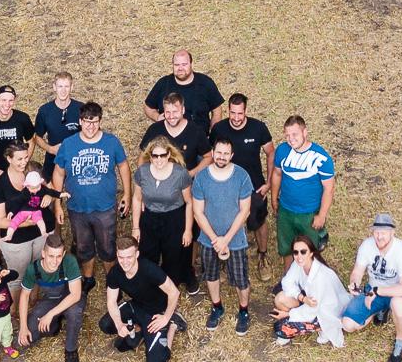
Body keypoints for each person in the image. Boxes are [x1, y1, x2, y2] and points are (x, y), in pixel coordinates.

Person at [54, 101, 129, 294]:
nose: (91, 126)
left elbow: (123, 166)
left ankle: (112, 281)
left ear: (100, 121)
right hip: (77, 207)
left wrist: (127, 194)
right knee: (83, 245)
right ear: (80, 121)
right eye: (87, 122)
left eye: (95, 122)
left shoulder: (111, 142)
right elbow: (59, 173)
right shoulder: (69, 144)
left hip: (105, 207)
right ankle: (88, 278)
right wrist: (57, 202)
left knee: (107, 245)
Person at [192, 138, 254, 334]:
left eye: (226, 153)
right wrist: (214, 239)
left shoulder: (242, 176)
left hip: (235, 240)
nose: (221, 157)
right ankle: (217, 306)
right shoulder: (202, 177)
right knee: (211, 275)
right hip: (208, 239)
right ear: (213, 152)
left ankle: (244, 311)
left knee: (241, 279)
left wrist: (226, 239)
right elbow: (197, 212)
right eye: (219, 152)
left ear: (232, 155)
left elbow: (245, 211)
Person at [98, 234, 184, 362]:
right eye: (121, 257)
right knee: (105, 324)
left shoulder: (149, 269)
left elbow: (174, 293)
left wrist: (165, 317)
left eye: (129, 257)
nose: (125, 262)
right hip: (136, 306)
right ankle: (139, 329)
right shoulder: (115, 272)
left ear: (137, 254)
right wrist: (120, 325)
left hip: (155, 313)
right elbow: (111, 301)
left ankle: (173, 324)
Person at [209, 93, 273, 270]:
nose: (236, 118)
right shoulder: (219, 129)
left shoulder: (258, 128)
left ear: (246, 111)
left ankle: (262, 256)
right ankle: (223, 256)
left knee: (258, 222)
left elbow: (271, 153)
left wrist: (268, 183)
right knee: (224, 221)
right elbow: (209, 155)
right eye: (232, 113)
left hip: (254, 186)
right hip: (225, 186)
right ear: (228, 111)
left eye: (240, 113)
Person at [341, 213, 402, 362]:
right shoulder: (367, 245)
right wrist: (354, 283)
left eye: (384, 232)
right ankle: (379, 309)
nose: (379, 236)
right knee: (347, 324)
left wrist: (377, 291)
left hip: (397, 293)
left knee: (398, 305)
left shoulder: (401, 250)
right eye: (376, 232)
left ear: (392, 233)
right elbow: (357, 271)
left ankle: (400, 341)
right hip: (373, 291)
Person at [131, 139, 194, 294]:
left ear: (169, 155)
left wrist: (188, 230)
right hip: (150, 218)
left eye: (162, 155)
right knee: (147, 254)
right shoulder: (142, 172)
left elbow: (189, 202)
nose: (159, 159)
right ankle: (150, 287)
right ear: (150, 156)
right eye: (155, 156)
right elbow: (137, 199)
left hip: (174, 219)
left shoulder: (180, 173)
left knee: (172, 256)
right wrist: (135, 227)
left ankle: (171, 291)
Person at [17, 232, 86, 362]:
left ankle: (71, 349)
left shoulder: (70, 261)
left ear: (64, 253)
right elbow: (24, 296)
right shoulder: (33, 269)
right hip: (51, 299)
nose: (55, 261)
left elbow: (75, 295)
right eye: (51, 256)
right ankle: (54, 327)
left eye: (59, 256)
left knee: (74, 313)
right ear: (43, 253)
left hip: (70, 299)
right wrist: (23, 327)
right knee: (30, 335)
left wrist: (49, 315)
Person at [0, 86, 36, 246]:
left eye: (10, 100)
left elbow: (32, 140)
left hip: (19, 175)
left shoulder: (22, 119)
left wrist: (24, 162)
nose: (7, 104)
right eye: (3, 100)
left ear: (14, 102)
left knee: (23, 209)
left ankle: (22, 243)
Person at [269, 115, 335, 258]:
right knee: (286, 248)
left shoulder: (321, 157)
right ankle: (288, 278)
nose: (290, 138)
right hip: (286, 210)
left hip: (309, 213)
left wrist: (321, 215)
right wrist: (274, 199)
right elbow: (277, 174)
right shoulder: (282, 150)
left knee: (310, 251)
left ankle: (310, 279)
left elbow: (329, 189)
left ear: (305, 132)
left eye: (294, 134)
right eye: (287, 135)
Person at [271, 235, 349, 348]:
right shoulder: (298, 264)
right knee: (280, 299)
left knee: (281, 328)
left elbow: (313, 309)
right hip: (309, 302)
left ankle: (322, 327)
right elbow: (287, 282)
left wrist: (288, 314)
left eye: (303, 252)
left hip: (326, 310)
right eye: (296, 252)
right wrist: (301, 298)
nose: (299, 256)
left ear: (311, 253)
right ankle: (293, 324)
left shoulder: (320, 275)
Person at [0, 156, 60, 282]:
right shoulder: (3, 186)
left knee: (38, 271)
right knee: (18, 279)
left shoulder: (38, 174)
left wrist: (49, 196)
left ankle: (33, 298)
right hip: (19, 238)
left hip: (41, 232)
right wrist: (24, 222)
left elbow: (52, 189)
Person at [143, 50, 224, 126]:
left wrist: (213, 133)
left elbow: (217, 111)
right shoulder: (163, 83)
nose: (180, 68)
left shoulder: (206, 83)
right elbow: (148, 107)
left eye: (184, 64)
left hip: (200, 138)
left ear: (192, 64)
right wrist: (157, 117)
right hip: (169, 138)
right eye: (177, 65)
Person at [139, 92, 211, 174]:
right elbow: (142, 157)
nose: (171, 116)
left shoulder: (196, 131)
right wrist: (144, 178)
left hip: (186, 181)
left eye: (175, 112)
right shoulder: (154, 129)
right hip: (158, 180)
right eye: (168, 112)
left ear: (183, 110)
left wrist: (191, 174)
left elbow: (208, 157)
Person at [32, 71, 82, 186]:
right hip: (53, 160)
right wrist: (50, 149)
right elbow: (37, 137)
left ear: (72, 87)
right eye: (60, 86)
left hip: (76, 160)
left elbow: (89, 133)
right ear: (54, 87)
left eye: (66, 86)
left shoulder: (80, 108)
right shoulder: (45, 111)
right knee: (53, 195)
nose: (63, 90)